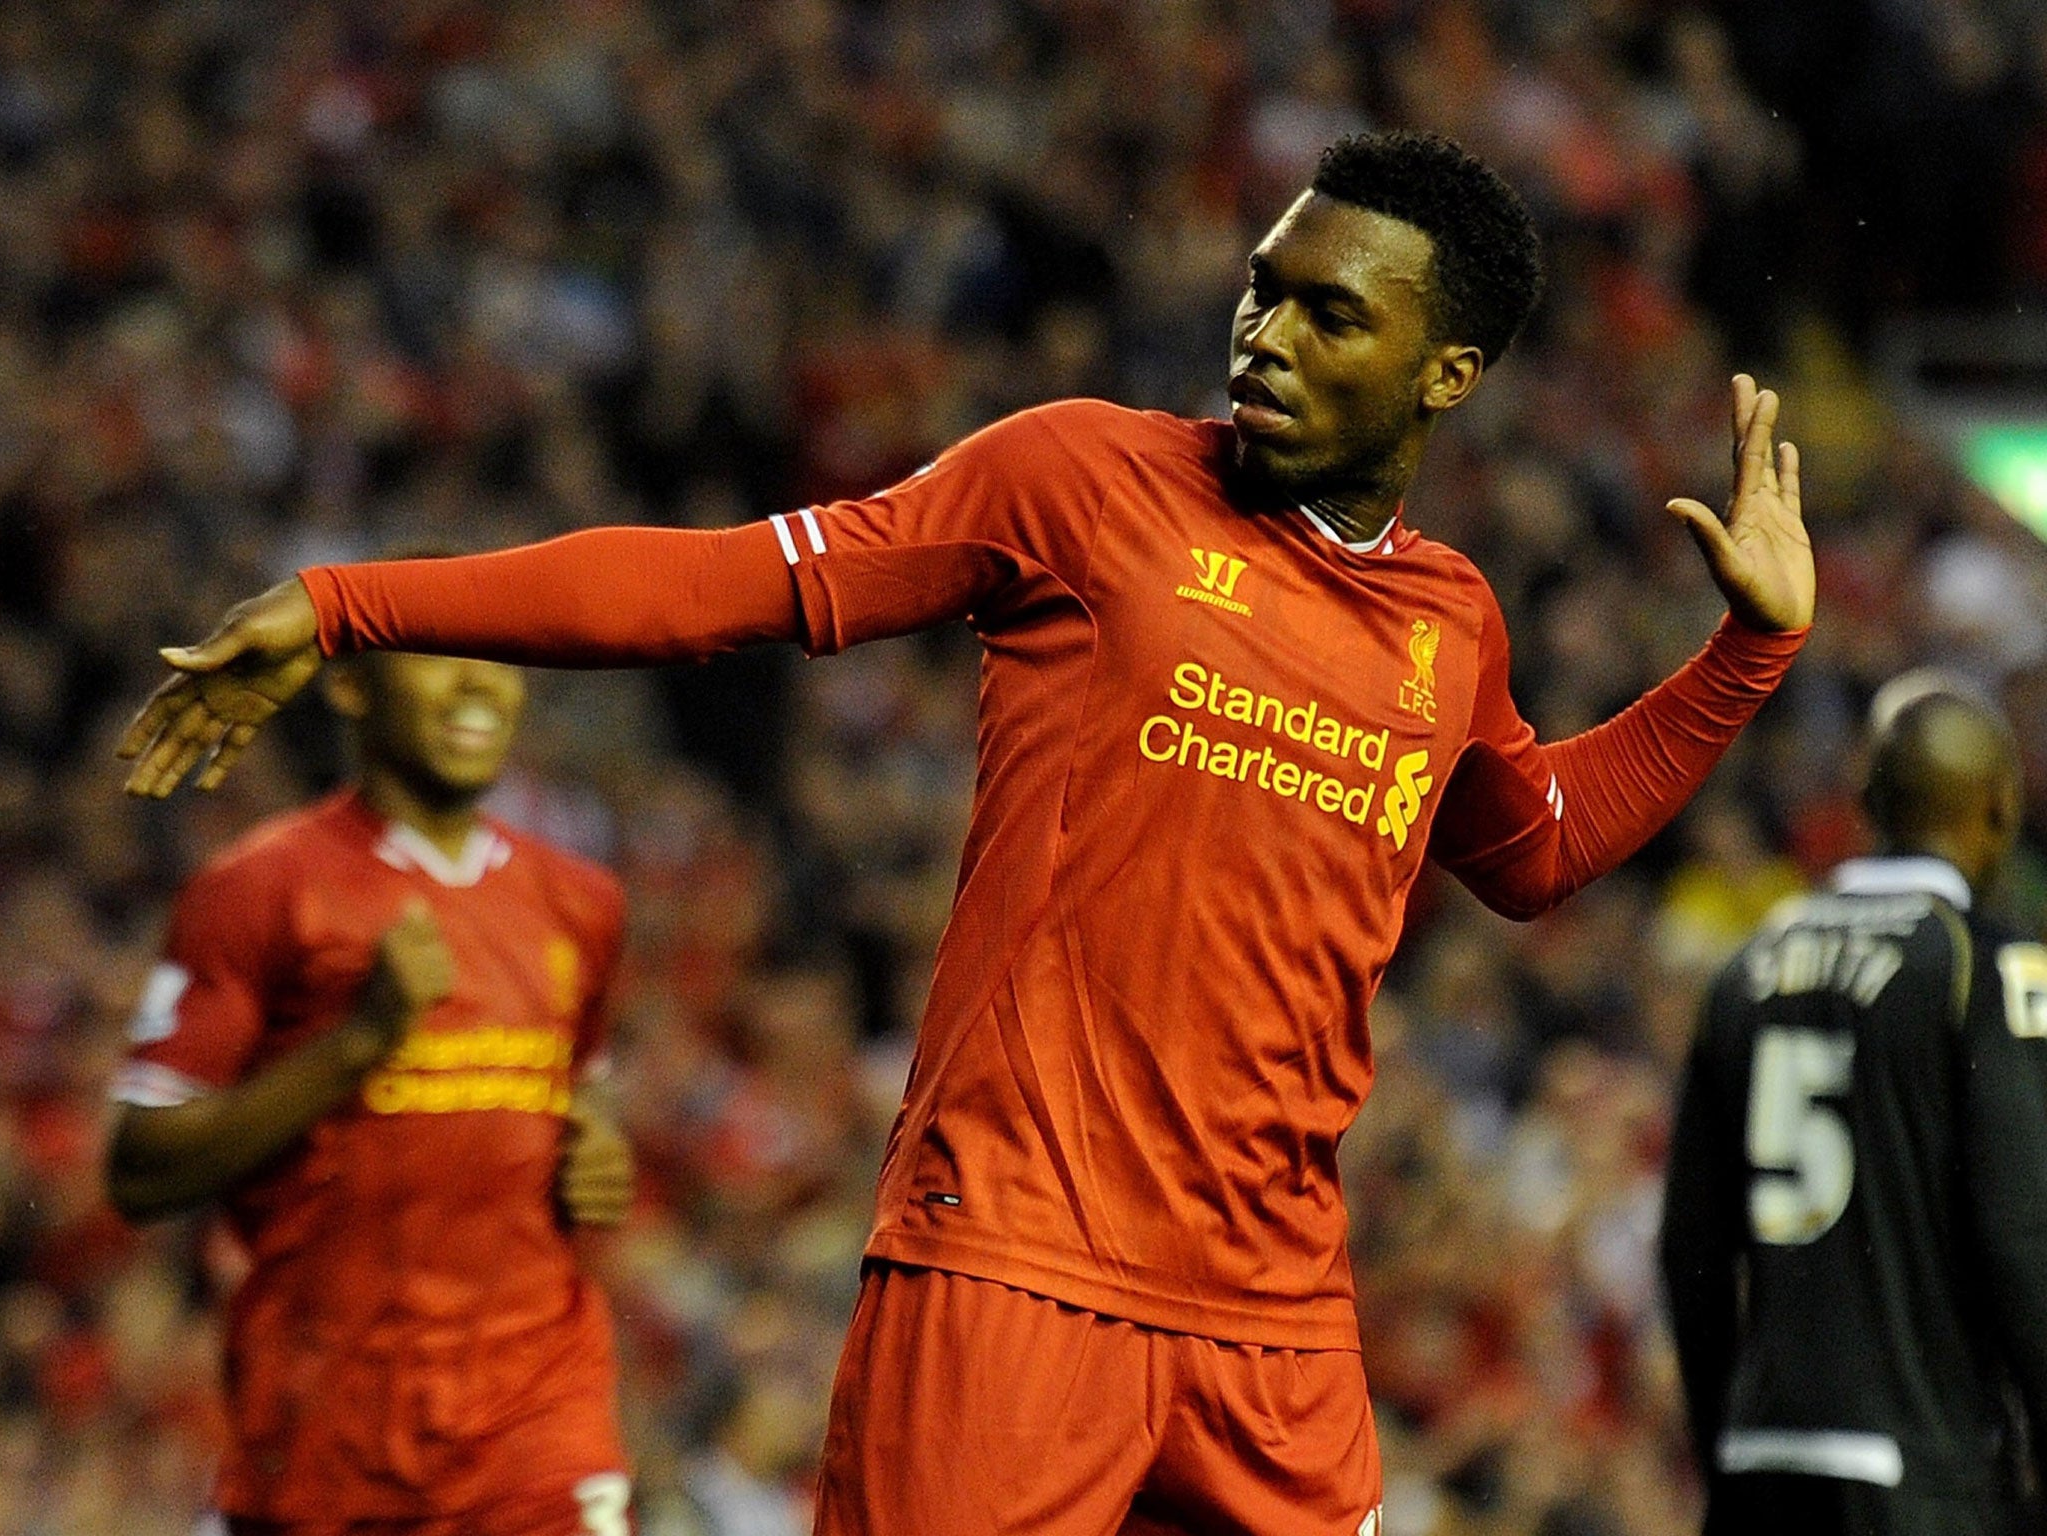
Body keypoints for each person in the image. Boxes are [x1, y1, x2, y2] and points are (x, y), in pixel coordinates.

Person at [120, 132, 1813, 1536]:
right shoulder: (1077, 481)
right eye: (1259, 290)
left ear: (1443, 373)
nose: (1263, 339)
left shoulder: (1450, 623)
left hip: (1274, 1321)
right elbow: (714, 587)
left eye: (1328, 319)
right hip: (1011, 1264)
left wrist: (1744, 655)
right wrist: (357, 605)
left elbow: (1532, 848)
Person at [105, 642, 638, 1536]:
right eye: (437, 654)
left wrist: (600, 1144)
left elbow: (581, 1086)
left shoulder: (583, 900)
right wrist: (357, 1044)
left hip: (533, 1418)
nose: (478, 683)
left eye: (500, 658)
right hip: (325, 1432)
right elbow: (143, 1169)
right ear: (351, 684)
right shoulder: (258, 891)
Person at [1660, 677, 2047, 1535]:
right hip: (1923, 1470)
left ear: (1868, 801)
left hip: (1764, 1461)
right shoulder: (1982, 970)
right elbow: (2025, 1238)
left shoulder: (1748, 965)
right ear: (1999, 809)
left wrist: (1723, 1448)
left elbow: (1690, 1248)